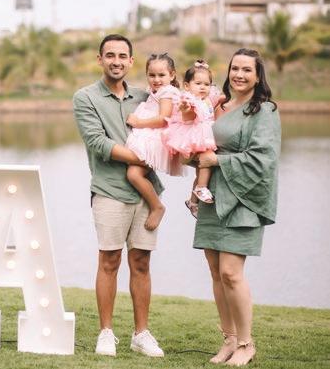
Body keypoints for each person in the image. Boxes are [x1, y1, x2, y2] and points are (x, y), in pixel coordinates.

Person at [72, 34, 165, 358]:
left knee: (141, 262)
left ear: (131, 61)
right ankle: (106, 333)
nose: (116, 61)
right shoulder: (85, 97)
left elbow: (171, 119)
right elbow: (98, 143)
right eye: (110, 55)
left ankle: (141, 334)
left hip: (145, 192)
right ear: (100, 59)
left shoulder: (145, 97)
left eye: (122, 56)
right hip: (109, 191)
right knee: (109, 261)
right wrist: (144, 158)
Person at [193, 48, 280, 366]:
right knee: (216, 272)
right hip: (213, 196)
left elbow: (264, 158)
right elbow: (202, 144)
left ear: (258, 76)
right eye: (235, 68)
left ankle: (246, 343)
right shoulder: (218, 105)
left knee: (231, 273)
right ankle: (229, 340)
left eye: (247, 70)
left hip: (245, 197)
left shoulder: (264, 111)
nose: (239, 75)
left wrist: (216, 161)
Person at [125, 53, 184, 231]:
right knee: (133, 173)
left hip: (155, 139)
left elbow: (163, 119)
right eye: (152, 75)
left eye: (161, 75)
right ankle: (154, 204)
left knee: (133, 175)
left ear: (172, 75)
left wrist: (138, 123)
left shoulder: (167, 92)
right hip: (149, 135)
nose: (156, 79)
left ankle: (157, 206)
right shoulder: (157, 91)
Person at [162, 60, 222, 217]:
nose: (203, 87)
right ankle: (201, 188)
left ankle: (193, 201)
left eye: (207, 84)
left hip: (204, 135)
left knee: (201, 171)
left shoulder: (208, 99)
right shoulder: (189, 100)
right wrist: (186, 108)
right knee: (206, 161)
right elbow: (188, 112)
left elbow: (220, 99)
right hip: (194, 137)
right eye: (198, 83)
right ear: (187, 86)